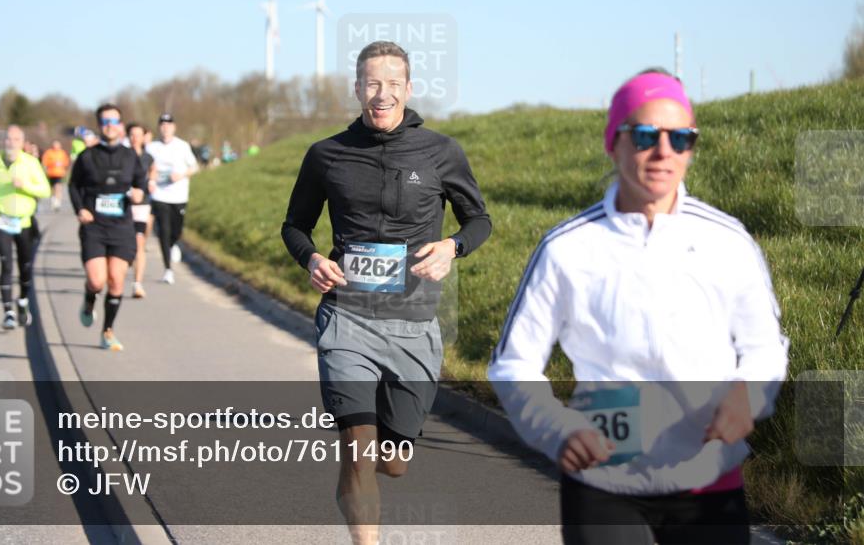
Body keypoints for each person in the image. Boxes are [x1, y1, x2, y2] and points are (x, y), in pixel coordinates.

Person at [487, 69, 789, 545]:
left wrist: (746, 396)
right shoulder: (567, 248)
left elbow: (765, 349)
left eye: (681, 138)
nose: (663, 151)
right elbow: (512, 364)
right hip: (603, 483)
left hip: (707, 481)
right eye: (645, 135)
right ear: (615, 142)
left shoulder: (727, 240)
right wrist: (558, 429)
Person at [281, 40, 492, 545]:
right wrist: (311, 258)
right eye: (372, 84)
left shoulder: (441, 152)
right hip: (347, 318)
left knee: (392, 463)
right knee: (358, 445)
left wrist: (452, 247)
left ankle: (393, 448)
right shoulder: (326, 155)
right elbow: (295, 226)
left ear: (408, 89)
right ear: (357, 89)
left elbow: (479, 220)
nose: (382, 94)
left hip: (414, 322)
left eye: (392, 84)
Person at [68, 104, 146, 351]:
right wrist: (80, 209)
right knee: (97, 279)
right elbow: (73, 186)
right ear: (100, 125)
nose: (110, 125)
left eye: (114, 121)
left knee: (116, 280)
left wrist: (137, 194)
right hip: (95, 227)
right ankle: (89, 299)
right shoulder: (87, 156)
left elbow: (140, 185)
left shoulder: (130, 156)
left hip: (122, 227)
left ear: (120, 125)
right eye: (105, 121)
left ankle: (108, 331)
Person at [0, 125, 51, 329]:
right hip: (1, 220)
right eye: (9, 139)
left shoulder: (30, 162)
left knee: (25, 266)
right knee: (6, 265)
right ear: (4, 141)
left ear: (23, 142)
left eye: (16, 139)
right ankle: (8, 311)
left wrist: (25, 185)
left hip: (25, 222)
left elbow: (45, 190)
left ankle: (23, 301)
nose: (11, 143)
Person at [145, 113, 198, 284]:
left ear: (174, 127)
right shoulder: (151, 148)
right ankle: (168, 269)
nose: (165, 127)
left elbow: (194, 167)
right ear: (159, 127)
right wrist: (150, 181)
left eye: (168, 124)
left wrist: (181, 175)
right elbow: (144, 169)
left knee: (177, 230)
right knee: (164, 231)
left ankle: (173, 243)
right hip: (160, 195)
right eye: (162, 124)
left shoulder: (182, 146)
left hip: (179, 195)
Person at [127, 122, 157, 298]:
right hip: (123, 205)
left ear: (144, 136)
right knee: (126, 243)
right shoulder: (121, 155)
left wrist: (152, 181)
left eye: (138, 134)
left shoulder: (147, 157)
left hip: (142, 204)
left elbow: (153, 169)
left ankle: (137, 284)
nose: (135, 138)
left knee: (139, 242)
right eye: (131, 134)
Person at [42, 140, 71, 211]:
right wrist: (52, 163)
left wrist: (64, 167)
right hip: (51, 173)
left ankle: (57, 202)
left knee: (58, 187)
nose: (56, 147)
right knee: (52, 188)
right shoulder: (49, 152)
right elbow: (45, 162)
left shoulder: (62, 153)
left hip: (59, 173)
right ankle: (53, 199)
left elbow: (66, 162)